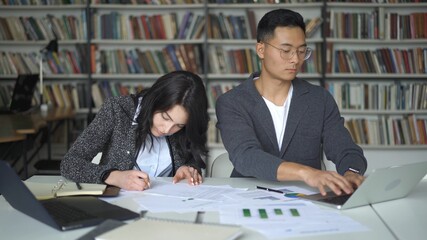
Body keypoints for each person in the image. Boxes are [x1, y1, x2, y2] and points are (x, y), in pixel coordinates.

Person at [215, 9, 367, 196]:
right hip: (248, 198)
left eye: (302, 51)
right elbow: (246, 157)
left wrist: (351, 173)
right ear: (261, 50)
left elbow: (345, 148)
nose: (295, 59)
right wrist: (305, 172)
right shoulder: (232, 102)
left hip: (306, 199)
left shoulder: (319, 99)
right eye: (286, 51)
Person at [61, 70, 209, 191]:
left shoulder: (183, 127)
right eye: (165, 117)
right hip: (117, 208)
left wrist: (188, 168)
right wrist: (114, 177)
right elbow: (70, 163)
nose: (167, 129)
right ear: (155, 99)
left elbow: (191, 157)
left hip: (168, 209)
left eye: (179, 125)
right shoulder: (117, 110)